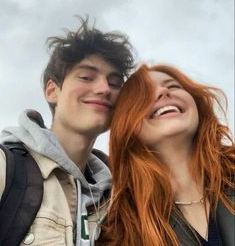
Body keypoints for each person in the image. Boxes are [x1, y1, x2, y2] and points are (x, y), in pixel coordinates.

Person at [0, 17, 135, 246]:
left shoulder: (120, 197)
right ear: (52, 91)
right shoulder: (7, 167)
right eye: (86, 77)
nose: (104, 89)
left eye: (114, 83)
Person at [97, 64, 235, 246]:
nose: (163, 92)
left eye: (173, 86)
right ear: (126, 123)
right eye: (143, 94)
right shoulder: (117, 226)